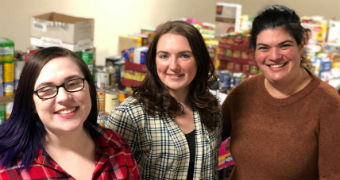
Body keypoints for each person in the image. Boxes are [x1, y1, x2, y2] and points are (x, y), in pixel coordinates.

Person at [222, 5, 340, 179]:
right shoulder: (243, 93)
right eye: (264, 47)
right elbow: (208, 138)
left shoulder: (329, 104)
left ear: (301, 46)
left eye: (284, 45)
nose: (274, 56)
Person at [0, 47, 140, 180]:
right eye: (46, 89)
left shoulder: (116, 146)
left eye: (73, 83)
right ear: (31, 103)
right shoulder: (8, 167)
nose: (64, 97)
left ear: (90, 88)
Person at [105, 20, 222, 180]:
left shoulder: (211, 108)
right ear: (154, 61)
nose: (173, 66)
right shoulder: (129, 115)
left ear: (199, 60)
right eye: (164, 56)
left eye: (184, 56)